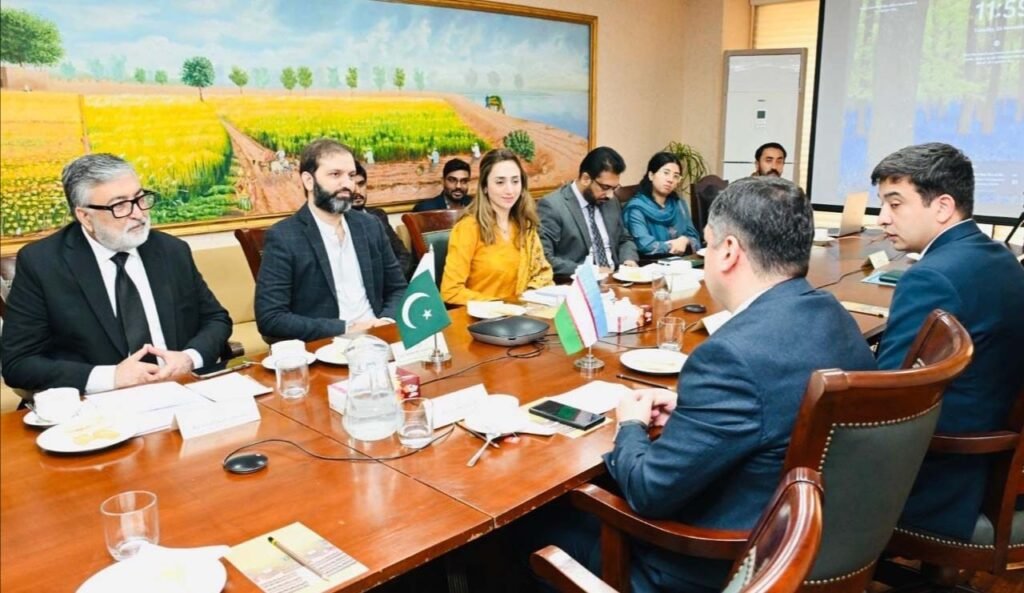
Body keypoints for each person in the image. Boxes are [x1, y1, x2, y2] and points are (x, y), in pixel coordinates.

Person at [517, 177, 877, 592]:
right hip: (813, 543)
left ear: (729, 252)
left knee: (532, 527)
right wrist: (691, 412)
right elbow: (765, 412)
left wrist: (631, 424)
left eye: (707, 244)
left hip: (717, 565)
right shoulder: (835, 318)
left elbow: (649, 491)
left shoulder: (729, 357)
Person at [871, 142, 1024, 541]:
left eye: (895, 203)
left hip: (945, 478)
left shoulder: (931, 277)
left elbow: (886, 396)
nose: (882, 217)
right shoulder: (999, 256)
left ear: (942, 207)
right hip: (995, 462)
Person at [1, 154, 232, 395]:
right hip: (99, 403)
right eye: (119, 205)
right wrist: (111, 377)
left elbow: (216, 319)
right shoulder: (43, 263)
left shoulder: (171, 250)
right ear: (85, 217)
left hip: (180, 389)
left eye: (140, 198)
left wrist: (189, 358)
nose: (138, 213)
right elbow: (18, 363)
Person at [255, 139, 407, 342]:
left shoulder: (370, 225)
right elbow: (270, 318)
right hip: (327, 344)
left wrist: (386, 322)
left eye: (351, 175)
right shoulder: (283, 237)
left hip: (380, 336)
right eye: (335, 174)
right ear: (309, 181)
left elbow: (398, 288)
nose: (348, 184)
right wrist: (346, 328)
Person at [440, 149, 553, 305]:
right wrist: (502, 305)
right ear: (485, 187)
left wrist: (527, 300)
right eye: (500, 182)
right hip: (482, 316)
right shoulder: (468, 228)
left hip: (524, 312)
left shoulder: (525, 225)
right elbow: (450, 292)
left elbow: (543, 274)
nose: (510, 190)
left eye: (515, 181)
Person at [537, 146, 639, 275]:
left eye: (614, 188)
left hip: (617, 278)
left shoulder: (611, 202)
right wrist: (592, 271)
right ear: (586, 179)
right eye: (605, 187)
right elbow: (544, 259)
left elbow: (624, 238)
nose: (610, 195)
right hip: (579, 281)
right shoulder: (553, 206)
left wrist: (628, 260)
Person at [623, 151, 702, 257]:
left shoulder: (679, 204)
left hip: (683, 262)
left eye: (676, 176)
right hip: (651, 263)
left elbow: (695, 238)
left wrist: (685, 240)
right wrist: (673, 246)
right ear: (651, 175)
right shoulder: (637, 208)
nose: (670, 180)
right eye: (666, 173)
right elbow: (645, 245)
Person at [350, 161, 413, 279]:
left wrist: (391, 281)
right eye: (352, 186)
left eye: (361, 184)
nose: (358, 192)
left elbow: (403, 255)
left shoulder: (378, 215)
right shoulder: (337, 223)